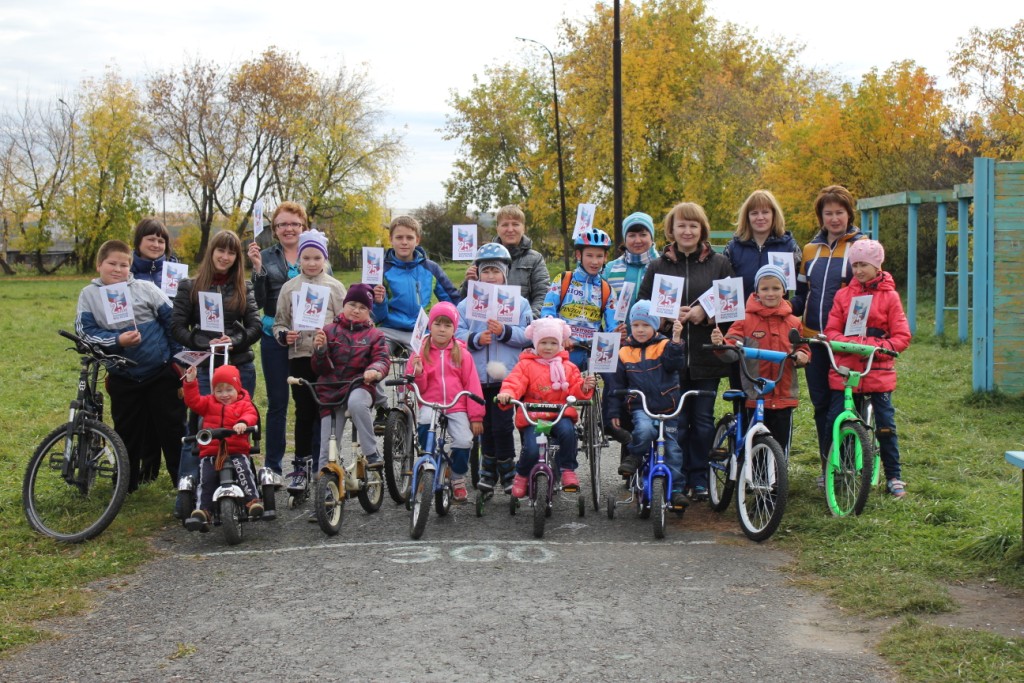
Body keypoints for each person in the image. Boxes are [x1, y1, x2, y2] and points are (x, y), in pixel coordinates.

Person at [637, 202, 734, 500]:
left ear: (702, 229)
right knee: (675, 422)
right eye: (682, 225)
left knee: (703, 420)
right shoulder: (657, 266)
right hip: (669, 357)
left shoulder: (720, 264)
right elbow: (643, 308)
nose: (687, 230)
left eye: (693, 225)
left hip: (707, 356)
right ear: (671, 230)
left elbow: (732, 307)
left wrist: (703, 314)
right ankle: (675, 480)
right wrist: (665, 318)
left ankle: (700, 477)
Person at [75, 239, 185, 492]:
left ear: (130, 267)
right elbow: (84, 332)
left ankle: (183, 480)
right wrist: (117, 340)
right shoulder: (89, 295)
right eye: (112, 263)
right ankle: (126, 482)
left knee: (172, 428)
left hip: (159, 373)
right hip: (122, 376)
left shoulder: (146, 289)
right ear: (99, 264)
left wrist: (178, 361)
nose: (117, 269)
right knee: (127, 432)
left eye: (124, 265)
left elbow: (172, 324)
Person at [172, 230, 261, 496]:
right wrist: (203, 342)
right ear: (211, 252)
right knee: (200, 429)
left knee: (238, 426)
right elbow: (177, 327)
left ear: (237, 257)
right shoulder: (189, 286)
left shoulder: (245, 288)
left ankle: (241, 490)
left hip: (238, 367)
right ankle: (189, 494)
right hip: (204, 370)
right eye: (221, 251)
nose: (225, 257)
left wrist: (233, 340)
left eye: (231, 252)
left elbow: (255, 326)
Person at [823, 239, 911, 497]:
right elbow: (831, 332)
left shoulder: (890, 297)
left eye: (864, 265)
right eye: (855, 265)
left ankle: (894, 475)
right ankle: (832, 469)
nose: (859, 270)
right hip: (846, 373)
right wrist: (852, 345)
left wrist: (873, 346)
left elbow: (902, 336)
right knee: (835, 420)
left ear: (877, 265)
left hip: (878, 371)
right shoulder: (843, 296)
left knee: (886, 424)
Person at [790, 185, 866, 480]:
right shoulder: (810, 250)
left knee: (844, 405)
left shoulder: (861, 246)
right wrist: (782, 308)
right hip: (814, 340)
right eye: (828, 213)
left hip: (846, 343)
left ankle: (847, 464)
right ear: (820, 217)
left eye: (840, 212)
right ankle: (827, 466)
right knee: (821, 404)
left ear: (849, 214)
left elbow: (869, 293)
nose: (834, 219)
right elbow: (802, 294)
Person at [248, 201, 322, 482]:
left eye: (294, 223)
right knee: (278, 402)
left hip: (307, 339)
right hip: (275, 335)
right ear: (274, 229)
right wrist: (257, 268)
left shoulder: (314, 251)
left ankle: (314, 462)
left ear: (303, 226)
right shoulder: (265, 255)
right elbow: (259, 296)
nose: (288, 229)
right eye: (282, 224)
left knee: (310, 401)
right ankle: (274, 468)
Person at [456, 243, 534, 494]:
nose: (490, 277)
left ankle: (507, 467)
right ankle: (487, 468)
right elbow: (456, 334)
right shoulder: (467, 304)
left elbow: (529, 335)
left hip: (507, 378)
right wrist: (476, 339)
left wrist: (505, 332)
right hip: (476, 377)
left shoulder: (519, 303)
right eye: (486, 271)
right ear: (477, 274)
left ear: (505, 274)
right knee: (484, 425)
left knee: (502, 424)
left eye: (496, 271)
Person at [273, 229, 347, 490]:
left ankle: (324, 464)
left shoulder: (335, 287)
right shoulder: (289, 288)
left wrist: (329, 337)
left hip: (327, 360)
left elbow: (345, 323)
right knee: (303, 412)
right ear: (299, 260)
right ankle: (300, 468)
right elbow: (279, 323)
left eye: (317, 258)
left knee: (325, 413)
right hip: (300, 359)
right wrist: (285, 335)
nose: (312, 263)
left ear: (325, 259)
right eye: (307, 258)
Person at [710, 265, 810, 457]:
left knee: (780, 446)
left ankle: (777, 483)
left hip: (784, 394)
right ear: (756, 291)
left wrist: (803, 356)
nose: (770, 293)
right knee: (752, 443)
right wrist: (720, 344)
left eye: (776, 288)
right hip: (754, 395)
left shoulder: (793, 322)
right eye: (765, 289)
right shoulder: (744, 319)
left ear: (784, 290)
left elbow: (802, 348)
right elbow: (732, 349)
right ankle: (749, 478)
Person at [496, 318, 597, 497]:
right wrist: (508, 395)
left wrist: (584, 387)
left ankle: (567, 469)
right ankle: (522, 475)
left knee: (568, 433)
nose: (548, 347)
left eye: (553, 343)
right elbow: (514, 382)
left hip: (560, 413)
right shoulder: (526, 365)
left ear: (560, 344)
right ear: (535, 343)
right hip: (534, 415)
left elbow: (574, 389)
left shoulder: (568, 367)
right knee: (532, 449)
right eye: (543, 342)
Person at [605, 300, 690, 508]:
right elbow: (616, 387)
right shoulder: (624, 352)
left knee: (672, 449)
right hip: (640, 406)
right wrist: (614, 411)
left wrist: (677, 340)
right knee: (643, 430)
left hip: (668, 407)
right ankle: (634, 456)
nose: (640, 330)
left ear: (655, 326)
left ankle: (676, 489)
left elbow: (675, 363)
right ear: (630, 326)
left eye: (645, 325)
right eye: (636, 325)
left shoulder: (664, 345)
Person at [407, 302, 484, 503]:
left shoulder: (462, 354)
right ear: (429, 325)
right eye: (437, 324)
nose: (442, 329)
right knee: (425, 425)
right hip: (430, 404)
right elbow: (414, 387)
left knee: (464, 441)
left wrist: (475, 416)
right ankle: (428, 466)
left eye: (447, 325)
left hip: (455, 405)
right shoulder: (420, 351)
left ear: (454, 329)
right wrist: (418, 372)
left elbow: (473, 386)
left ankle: (457, 476)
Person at [310, 284, 391, 473]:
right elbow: (318, 369)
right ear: (344, 305)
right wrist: (320, 351)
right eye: (352, 304)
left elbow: (382, 359)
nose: (356, 310)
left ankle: (371, 452)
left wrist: (375, 371)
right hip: (331, 391)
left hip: (359, 385)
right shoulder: (328, 331)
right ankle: (326, 488)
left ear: (369, 312)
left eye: (363, 307)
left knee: (356, 403)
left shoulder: (375, 335)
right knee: (326, 448)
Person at [181, 363, 263, 532]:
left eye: (229, 390)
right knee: (206, 480)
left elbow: (251, 414)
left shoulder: (243, 403)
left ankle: (252, 501)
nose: (224, 395)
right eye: (219, 390)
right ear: (213, 391)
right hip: (212, 452)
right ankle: (203, 510)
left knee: (244, 472)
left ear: (237, 388)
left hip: (236, 451)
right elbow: (193, 402)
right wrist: (190, 381)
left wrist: (242, 423)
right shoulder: (209, 403)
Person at [372, 215, 460, 349]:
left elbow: (452, 299)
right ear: (391, 239)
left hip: (421, 330)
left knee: (422, 366)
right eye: (399, 237)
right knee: (376, 356)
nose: (404, 242)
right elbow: (374, 315)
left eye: (409, 237)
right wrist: (379, 302)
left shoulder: (430, 268)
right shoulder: (380, 269)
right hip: (389, 329)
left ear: (417, 240)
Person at [540, 227, 617, 369]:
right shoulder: (563, 280)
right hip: (567, 350)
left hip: (594, 353)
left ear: (605, 257)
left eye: (599, 256)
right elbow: (547, 313)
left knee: (601, 388)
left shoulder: (607, 289)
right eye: (589, 255)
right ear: (578, 255)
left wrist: (617, 333)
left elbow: (612, 326)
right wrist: (561, 335)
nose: (594, 261)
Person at [460, 204, 551, 318]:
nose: (510, 229)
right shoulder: (483, 256)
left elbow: (543, 295)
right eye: (505, 225)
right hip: (485, 324)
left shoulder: (535, 259)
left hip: (522, 327)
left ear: (523, 228)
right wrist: (468, 284)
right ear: (497, 228)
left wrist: (527, 321)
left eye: (515, 224)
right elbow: (464, 301)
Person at [721, 190, 802, 303]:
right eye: (754, 213)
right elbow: (723, 289)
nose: (760, 217)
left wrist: (791, 306)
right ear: (747, 217)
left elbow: (803, 290)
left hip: (777, 318)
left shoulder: (789, 247)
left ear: (774, 214)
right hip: (744, 318)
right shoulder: (733, 249)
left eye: (765, 212)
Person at [603, 211, 661, 315]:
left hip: (656, 331)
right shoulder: (610, 269)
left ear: (652, 238)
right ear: (625, 239)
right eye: (632, 235)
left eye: (643, 235)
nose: (637, 240)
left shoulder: (664, 267)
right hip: (618, 331)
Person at [129, 217, 179, 290]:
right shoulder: (125, 271)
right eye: (151, 240)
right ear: (138, 241)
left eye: (161, 241)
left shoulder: (176, 272)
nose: (156, 245)